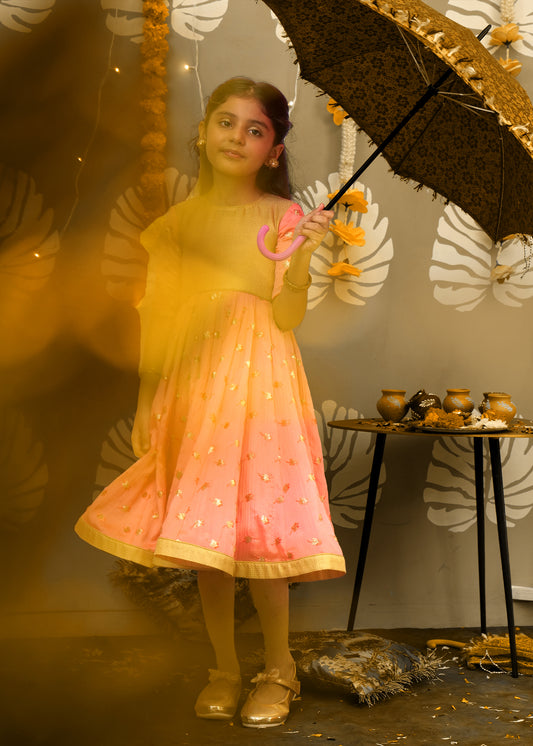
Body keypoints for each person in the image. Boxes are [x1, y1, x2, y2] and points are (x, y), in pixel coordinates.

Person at [75, 77, 345, 728]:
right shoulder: (175, 226)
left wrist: (303, 259)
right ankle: (223, 666)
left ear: (273, 151)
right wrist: (145, 403)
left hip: (262, 388)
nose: (237, 137)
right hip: (195, 391)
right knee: (208, 535)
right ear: (203, 132)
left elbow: (286, 316)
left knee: (261, 534)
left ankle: (277, 667)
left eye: (255, 130)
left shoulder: (283, 221)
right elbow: (158, 320)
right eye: (226, 122)